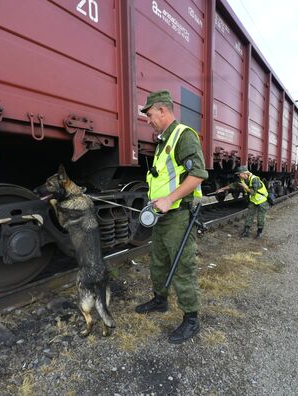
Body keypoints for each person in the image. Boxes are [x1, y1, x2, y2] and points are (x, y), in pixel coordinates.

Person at [135, 89, 208, 344]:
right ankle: (160, 300)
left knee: (182, 265)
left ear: (163, 110)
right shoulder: (162, 140)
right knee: (159, 261)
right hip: (161, 215)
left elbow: (198, 174)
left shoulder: (183, 136)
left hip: (177, 214)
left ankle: (191, 318)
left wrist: (170, 199)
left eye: (149, 113)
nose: (147, 119)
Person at [215, 165, 269, 238]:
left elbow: (253, 192)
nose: (238, 175)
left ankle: (259, 232)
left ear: (244, 173)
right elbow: (233, 185)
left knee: (260, 217)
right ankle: (246, 231)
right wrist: (222, 189)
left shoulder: (255, 179)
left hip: (262, 201)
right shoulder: (242, 180)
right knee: (249, 216)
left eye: (239, 174)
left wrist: (245, 187)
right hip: (253, 201)